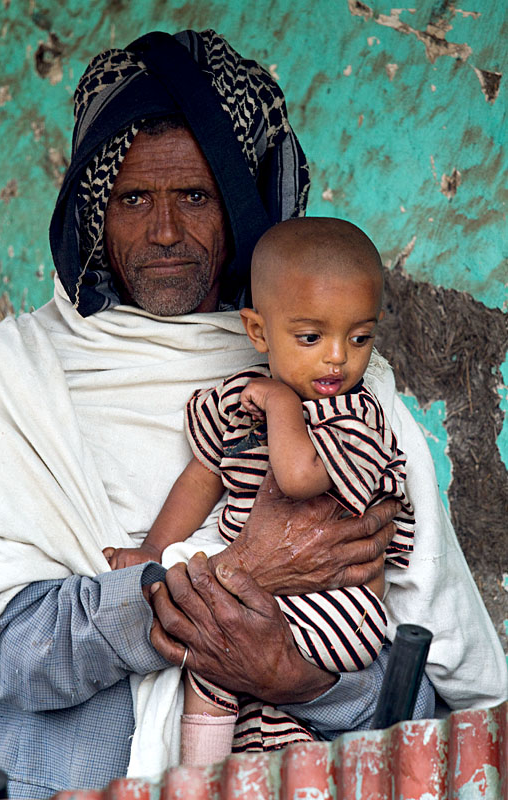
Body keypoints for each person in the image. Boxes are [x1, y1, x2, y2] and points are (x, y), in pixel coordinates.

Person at [0, 28, 505, 799]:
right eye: (131, 199)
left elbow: (420, 676)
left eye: (195, 195)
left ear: (245, 198)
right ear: (95, 210)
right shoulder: (16, 374)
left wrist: (299, 680)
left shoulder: (342, 385)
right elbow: (10, 656)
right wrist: (236, 572)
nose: (162, 232)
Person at [103, 216, 416, 765]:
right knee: (221, 664)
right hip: (261, 595)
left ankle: (211, 770)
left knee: (220, 656)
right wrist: (153, 551)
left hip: (333, 608)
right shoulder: (236, 399)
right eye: (311, 337)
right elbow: (201, 477)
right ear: (258, 332)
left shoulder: (355, 417)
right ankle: (216, 769)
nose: (338, 357)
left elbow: (297, 479)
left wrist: (281, 404)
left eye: (359, 337)